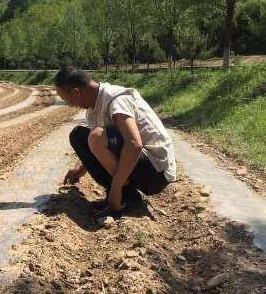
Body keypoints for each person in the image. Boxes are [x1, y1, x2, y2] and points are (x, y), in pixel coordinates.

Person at [54, 66, 176, 215]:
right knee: (79, 136)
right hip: (142, 166)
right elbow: (100, 150)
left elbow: (134, 144)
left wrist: (116, 188)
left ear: (76, 92)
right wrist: (80, 170)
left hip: (156, 172)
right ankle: (125, 196)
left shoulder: (116, 100)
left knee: (96, 136)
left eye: (67, 100)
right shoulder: (93, 110)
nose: (69, 104)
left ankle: (125, 196)